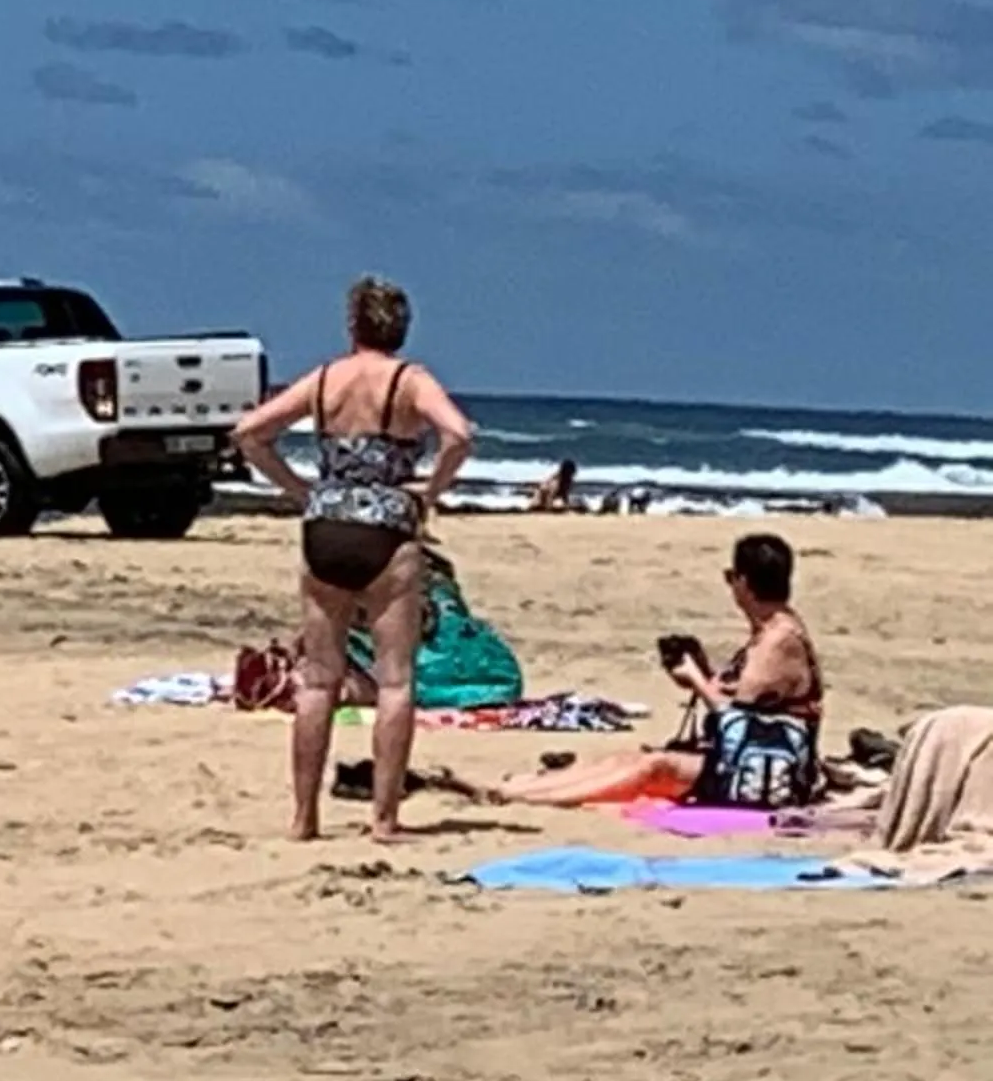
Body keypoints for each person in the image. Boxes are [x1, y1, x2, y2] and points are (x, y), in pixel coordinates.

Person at [232, 276, 476, 844]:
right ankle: (384, 818)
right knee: (395, 680)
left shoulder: (325, 379)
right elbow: (459, 435)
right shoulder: (409, 381)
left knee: (319, 680)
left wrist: (299, 490)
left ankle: (304, 817)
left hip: (326, 528)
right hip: (387, 530)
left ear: (352, 325)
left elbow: (249, 433)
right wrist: (429, 492)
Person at [493, 533, 825, 809]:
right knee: (630, 758)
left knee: (655, 766)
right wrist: (702, 672)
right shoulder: (771, 631)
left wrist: (695, 678)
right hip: (745, 757)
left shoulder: (778, 642)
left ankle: (530, 799)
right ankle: (521, 788)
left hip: (765, 771)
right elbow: (747, 699)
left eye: (731, 578)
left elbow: (733, 715)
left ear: (745, 582)